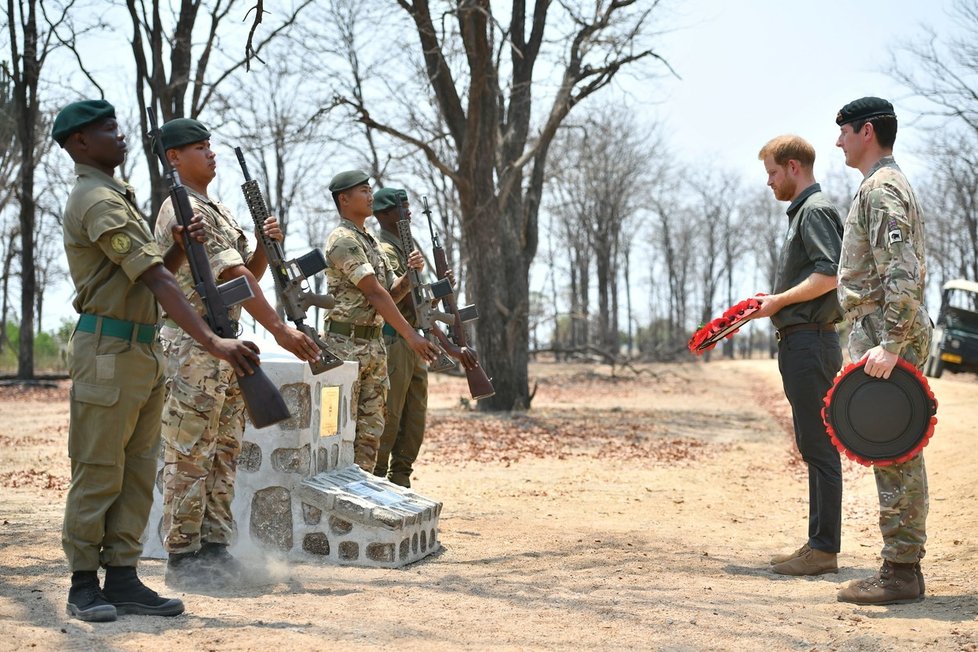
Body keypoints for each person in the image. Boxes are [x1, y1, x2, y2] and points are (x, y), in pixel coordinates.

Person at [54, 100, 261, 622]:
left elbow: (148, 271)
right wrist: (214, 343)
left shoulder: (118, 195)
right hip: (108, 349)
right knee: (100, 469)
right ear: (80, 143)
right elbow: (154, 280)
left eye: (119, 128)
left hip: (140, 346)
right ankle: (83, 584)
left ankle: (122, 577)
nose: (120, 137)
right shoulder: (95, 199)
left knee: (138, 471)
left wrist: (173, 247)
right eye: (107, 131)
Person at [153, 118, 320, 590]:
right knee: (189, 450)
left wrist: (266, 244)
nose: (210, 153)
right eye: (198, 147)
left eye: (210, 145)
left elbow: (250, 273)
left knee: (225, 449)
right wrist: (279, 329)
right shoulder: (180, 209)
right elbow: (235, 280)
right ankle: (182, 556)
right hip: (194, 346)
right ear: (174, 158)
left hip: (223, 344)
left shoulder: (217, 208)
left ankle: (214, 547)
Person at [834, 96, 932, 605]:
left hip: (887, 338)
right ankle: (900, 568)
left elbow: (901, 268)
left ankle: (900, 573)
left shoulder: (882, 188)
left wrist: (891, 342)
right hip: (878, 335)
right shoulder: (879, 187)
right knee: (891, 448)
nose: (838, 141)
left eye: (844, 131)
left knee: (896, 448)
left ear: (866, 131)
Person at [754, 136, 845, 576]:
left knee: (820, 445)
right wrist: (775, 301)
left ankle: (825, 549)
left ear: (793, 167)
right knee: (812, 443)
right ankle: (817, 543)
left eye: (772, 172)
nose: (769, 182)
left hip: (812, 341)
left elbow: (830, 274)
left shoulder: (815, 210)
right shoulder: (803, 213)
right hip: (801, 341)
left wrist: (778, 302)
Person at [322, 171, 440, 472]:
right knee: (340, 429)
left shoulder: (370, 240)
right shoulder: (342, 240)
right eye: (363, 191)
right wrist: (412, 336)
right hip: (345, 345)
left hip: (372, 344)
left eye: (370, 190)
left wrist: (409, 277)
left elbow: (390, 293)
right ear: (344, 199)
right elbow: (374, 292)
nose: (370, 196)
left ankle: (364, 498)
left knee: (371, 432)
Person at [370, 188, 476, 487]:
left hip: (414, 341)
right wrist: (411, 272)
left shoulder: (406, 248)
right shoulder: (385, 250)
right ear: (385, 214)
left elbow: (419, 304)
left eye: (407, 205)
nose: (409, 212)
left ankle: (401, 480)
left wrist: (439, 288)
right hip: (394, 340)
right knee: (390, 416)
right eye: (401, 207)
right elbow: (391, 297)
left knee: (414, 418)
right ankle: (377, 480)